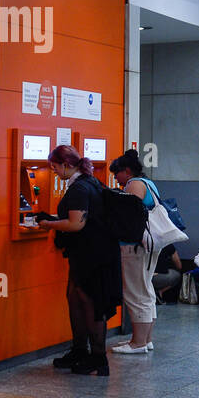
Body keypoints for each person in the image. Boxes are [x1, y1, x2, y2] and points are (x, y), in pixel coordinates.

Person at [35, 145, 121, 376]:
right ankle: (80, 350)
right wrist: (52, 219)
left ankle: (98, 358)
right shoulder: (88, 182)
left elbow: (76, 224)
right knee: (75, 297)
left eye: (55, 167)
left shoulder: (80, 188)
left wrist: (48, 224)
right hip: (89, 252)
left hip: (93, 255)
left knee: (90, 302)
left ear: (66, 165)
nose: (53, 172)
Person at [109, 149, 160, 353]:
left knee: (136, 293)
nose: (115, 178)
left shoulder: (134, 185)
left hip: (135, 246)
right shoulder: (148, 183)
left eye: (117, 173)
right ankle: (144, 339)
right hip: (149, 244)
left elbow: (130, 217)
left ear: (127, 171)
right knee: (146, 291)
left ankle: (137, 343)